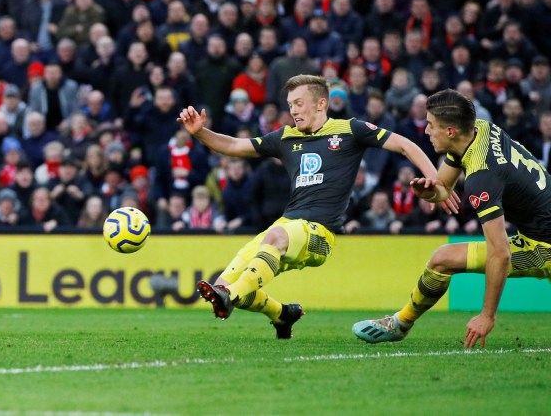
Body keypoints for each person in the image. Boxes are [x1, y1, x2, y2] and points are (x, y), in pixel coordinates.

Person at [178, 75, 455, 339]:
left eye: (298, 103)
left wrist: (438, 180)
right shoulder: (286, 137)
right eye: (290, 105)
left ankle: (231, 298)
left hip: (320, 233)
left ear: (321, 104)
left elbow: (405, 145)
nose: (293, 111)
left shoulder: (350, 130)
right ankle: (282, 314)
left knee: (256, 262)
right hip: (287, 227)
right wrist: (200, 132)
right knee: (227, 282)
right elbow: (235, 146)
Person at [354, 89, 551, 348]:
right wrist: (431, 192)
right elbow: (443, 188)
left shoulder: (482, 176)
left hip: (544, 248)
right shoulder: (479, 129)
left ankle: (402, 323)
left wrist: (487, 315)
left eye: (431, 125)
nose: (425, 131)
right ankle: (400, 323)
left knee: (450, 258)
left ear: (450, 132)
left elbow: (500, 252)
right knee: (442, 258)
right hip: (536, 233)